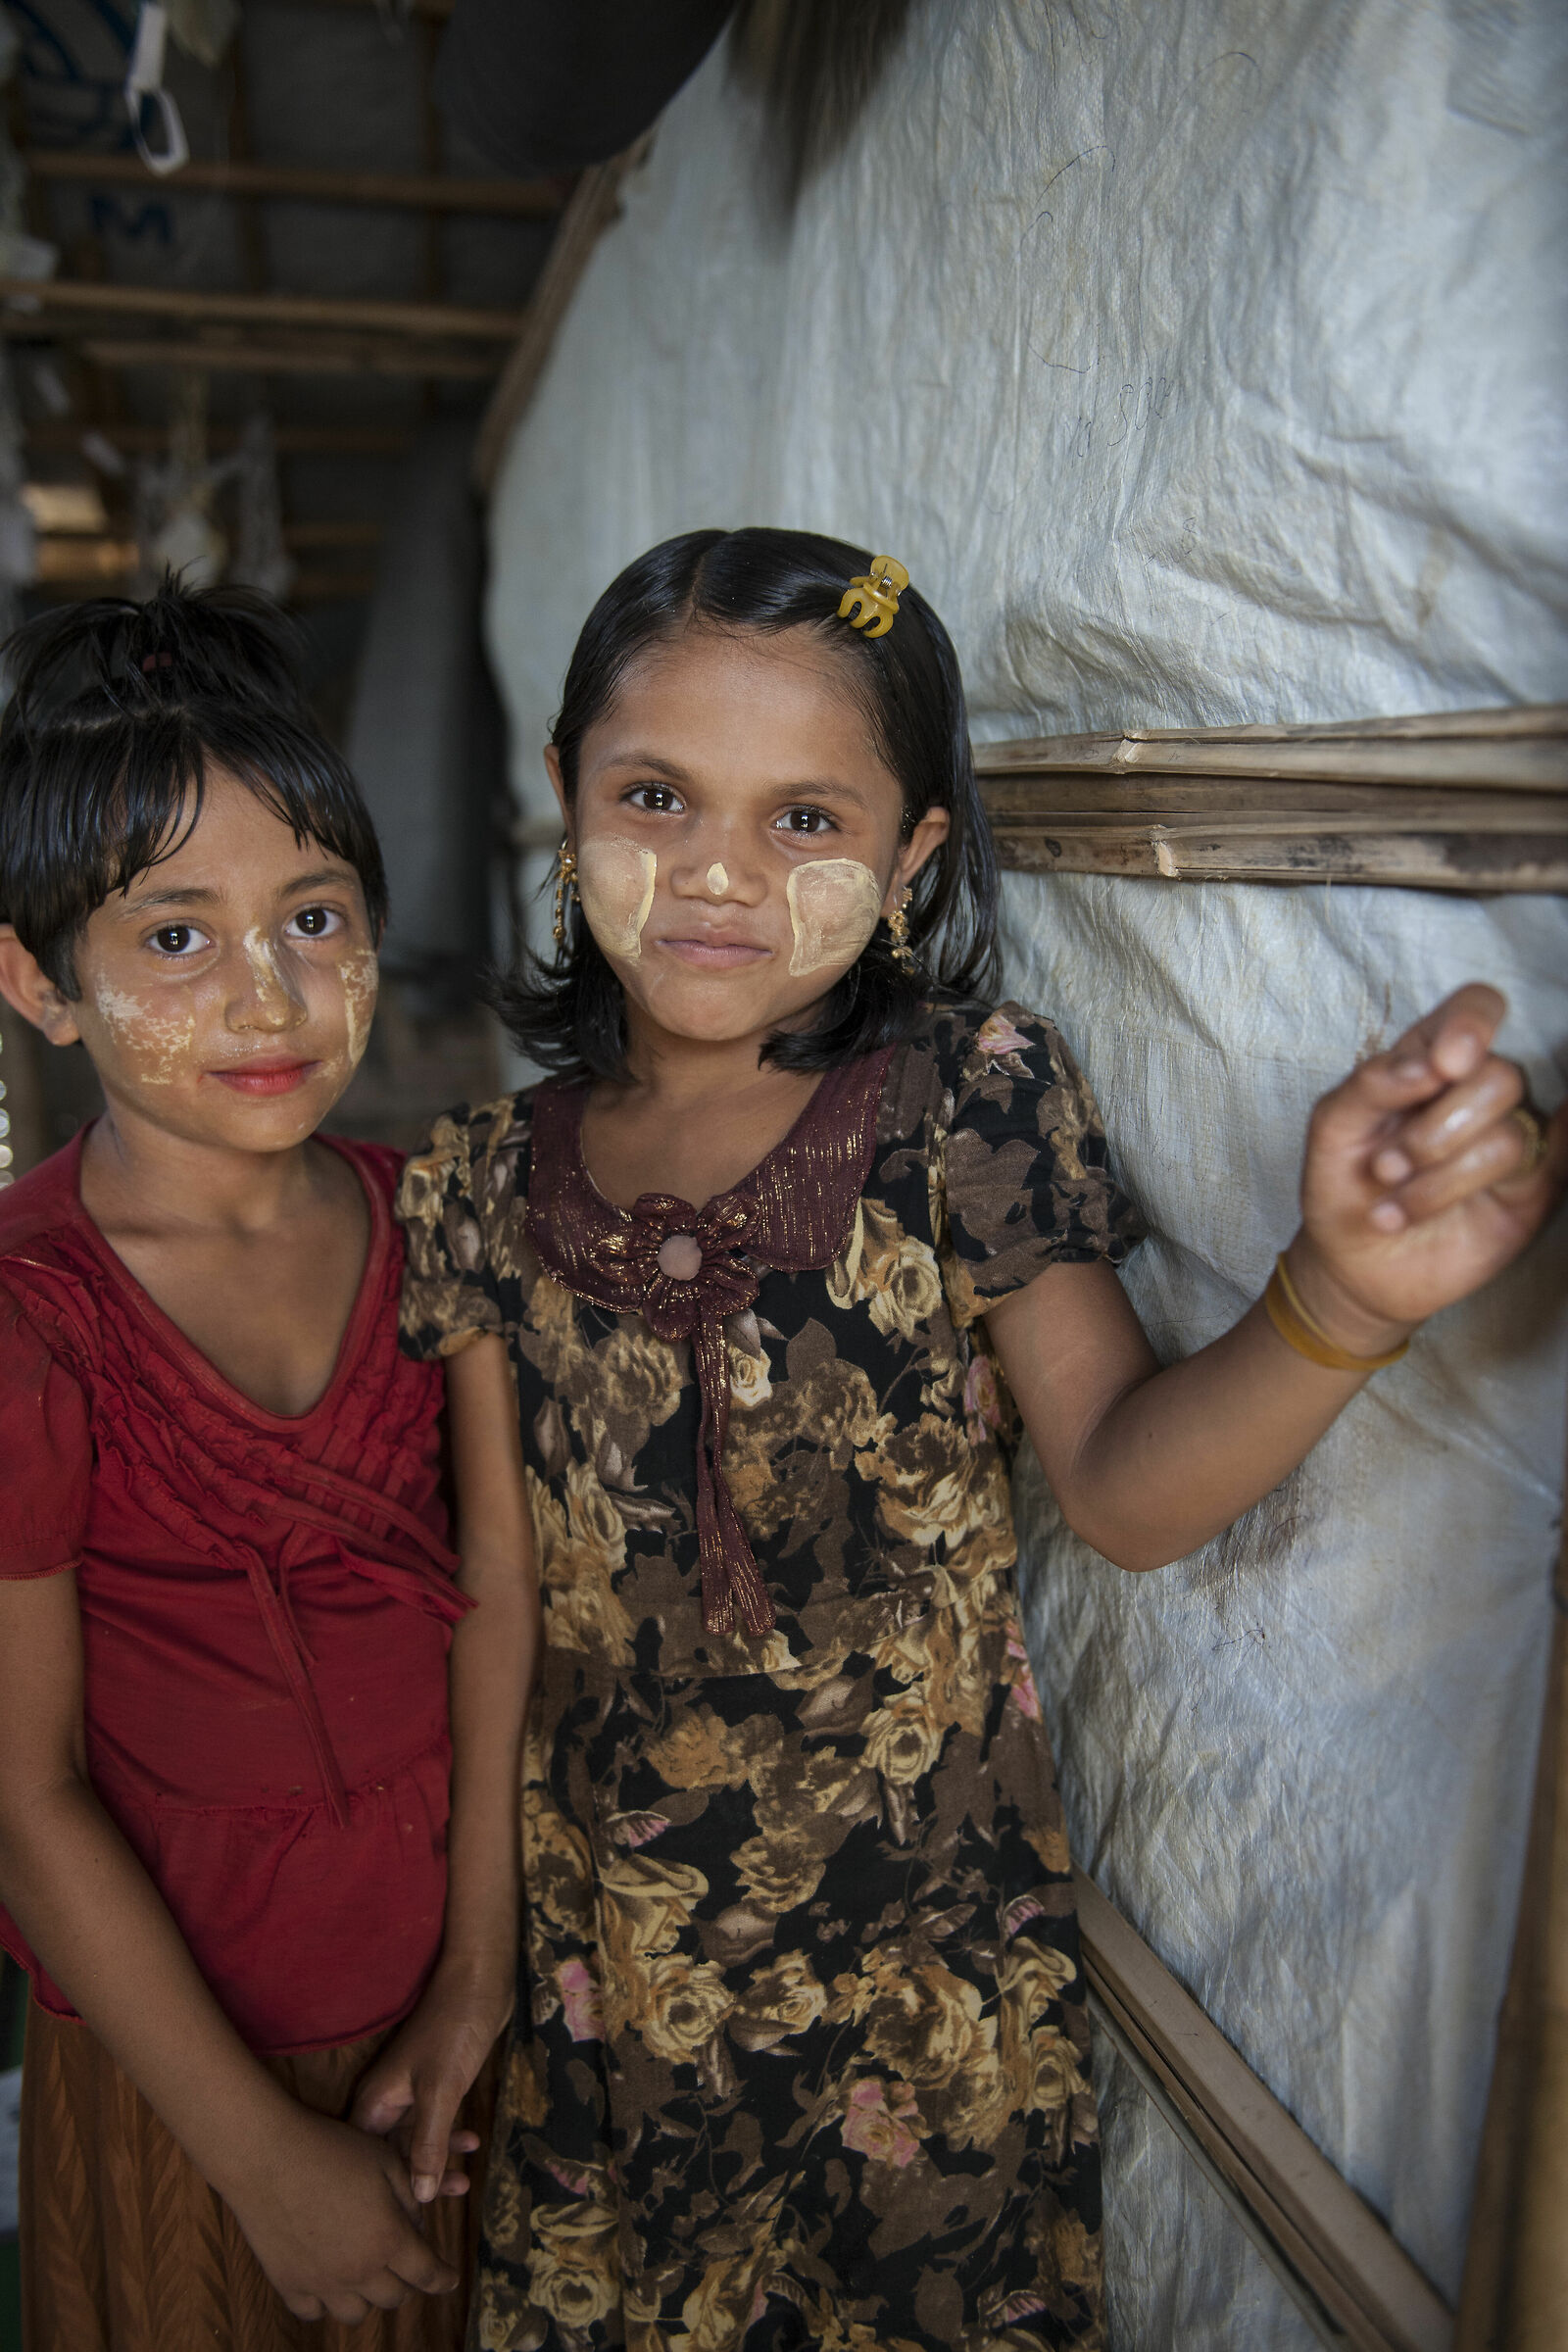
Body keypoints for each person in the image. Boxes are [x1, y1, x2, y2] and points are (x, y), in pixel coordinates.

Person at [396, 526, 1564, 2352]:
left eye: (806, 819)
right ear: (565, 795)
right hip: (604, 1994)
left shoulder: (963, 1102)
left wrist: (1341, 1295)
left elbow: (1123, 1489)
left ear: (910, 859)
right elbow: (497, 1596)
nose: (718, 868)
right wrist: (476, 1972)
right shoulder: (481, 1179)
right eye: (656, 795)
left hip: (918, 2016)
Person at [0, 582, 537, 2350]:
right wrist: (257, 2158)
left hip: (443, 2047)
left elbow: (493, 1599)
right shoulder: (31, 1320)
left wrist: (476, 1979)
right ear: (37, 981)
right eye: (175, 935)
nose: (268, 993)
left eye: (314, 917)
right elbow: (25, 1793)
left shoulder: (437, 1225)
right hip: (178, 2082)